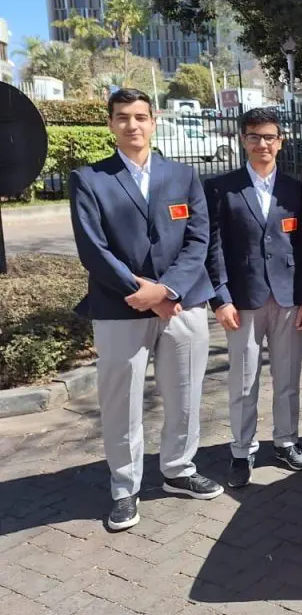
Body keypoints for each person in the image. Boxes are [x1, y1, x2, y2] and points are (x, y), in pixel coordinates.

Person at [69, 88, 222, 532]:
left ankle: (178, 469)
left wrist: (167, 290)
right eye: (122, 117)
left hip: (182, 305)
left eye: (140, 116)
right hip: (121, 308)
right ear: (111, 124)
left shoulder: (184, 176)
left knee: (185, 392)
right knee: (121, 401)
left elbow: (199, 239)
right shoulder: (90, 179)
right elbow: (92, 248)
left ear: (154, 121)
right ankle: (124, 486)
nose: (132, 125)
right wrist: (140, 292)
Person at [204, 108, 302, 488]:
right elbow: (213, 248)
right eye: (254, 136)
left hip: (288, 300)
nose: (262, 144)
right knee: (244, 380)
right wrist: (220, 299)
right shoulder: (221, 188)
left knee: (288, 378)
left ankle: (286, 441)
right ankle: (241, 450)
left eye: (269, 137)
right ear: (243, 140)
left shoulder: (295, 189)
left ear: (280, 141)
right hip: (243, 301)